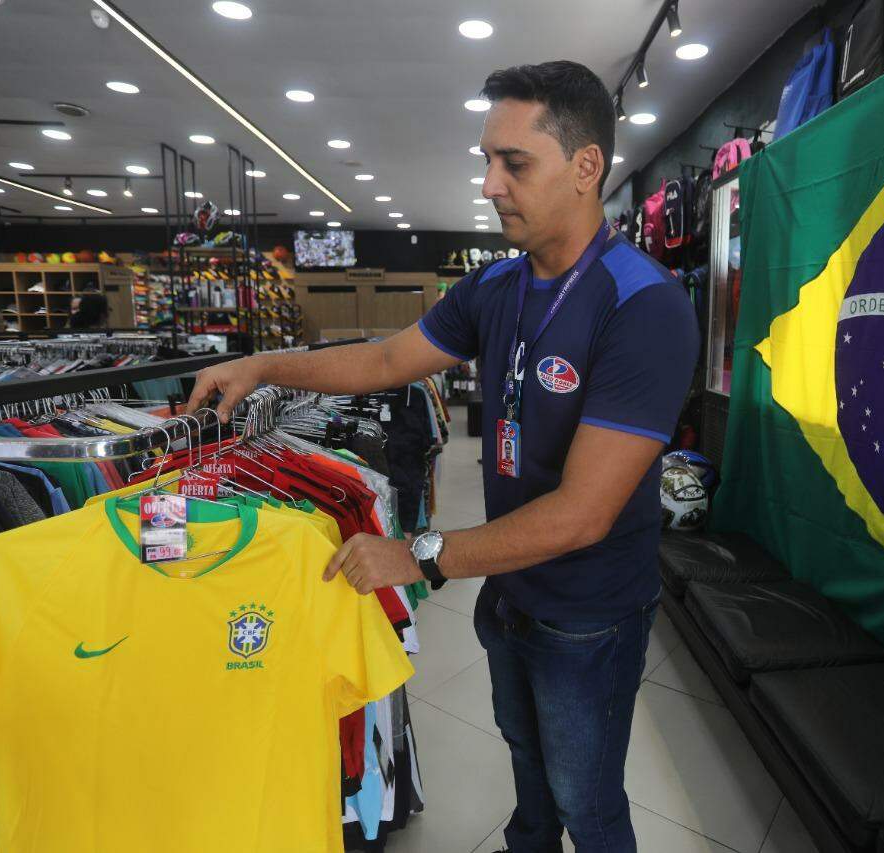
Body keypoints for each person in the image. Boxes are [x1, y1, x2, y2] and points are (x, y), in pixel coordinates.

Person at [186, 60, 699, 853]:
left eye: (514, 162)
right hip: (510, 593)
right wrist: (261, 366)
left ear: (587, 166)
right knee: (528, 766)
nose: (491, 183)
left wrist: (417, 554)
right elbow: (387, 360)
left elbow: (583, 513)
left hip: (590, 614)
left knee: (588, 799)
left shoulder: (644, 305)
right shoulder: (497, 286)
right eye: (486, 161)